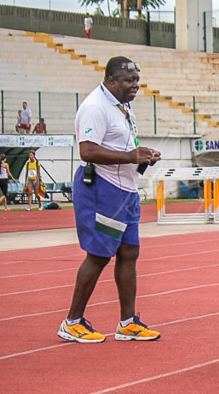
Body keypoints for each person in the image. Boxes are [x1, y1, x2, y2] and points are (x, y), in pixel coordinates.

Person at [58, 56, 162, 344]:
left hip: (125, 190)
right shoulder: (95, 107)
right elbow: (88, 151)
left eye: (137, 81)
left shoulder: (122, 105)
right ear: (111, 80)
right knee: (100, 254)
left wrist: (141, 155)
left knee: (129, 252)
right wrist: (130, 156)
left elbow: (121, 145)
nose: (135, 86)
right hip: (102, 189)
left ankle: (127, 322)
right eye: (129, 81)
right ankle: (72, 322)